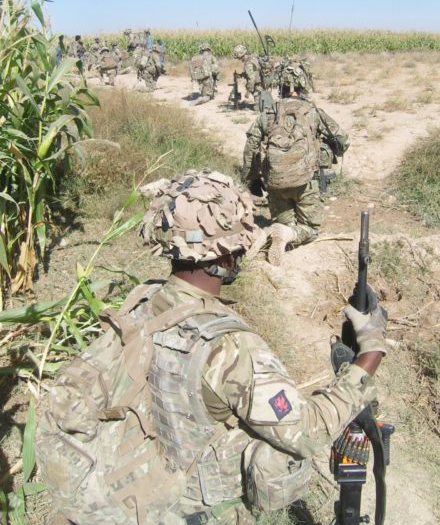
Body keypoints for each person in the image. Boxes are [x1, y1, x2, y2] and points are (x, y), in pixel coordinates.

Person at [37, 170, 387, 525]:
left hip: (157, 484)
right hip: (203, 510)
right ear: (226, 257)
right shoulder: (230, 347)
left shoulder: (145, 299)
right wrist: (370, 352)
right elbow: (306, 433)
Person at [242, 57, 350, 265]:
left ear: (279, 86)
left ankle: (266, 233)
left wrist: (252, 179)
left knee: (284, 221)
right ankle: (286, 234)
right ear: (304, 85)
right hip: (306, 183)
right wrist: (329, 150)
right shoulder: (313, 112)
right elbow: (343, 140)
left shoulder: (268, 112)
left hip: (274, 183)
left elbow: (250, 148)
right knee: (310, 229)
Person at [232, 44, 262, 109]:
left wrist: (248, 91)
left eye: (238, 57)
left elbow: (251, 78)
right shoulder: (253, 58)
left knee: (257, 108)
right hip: (261, 83)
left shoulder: (248, 63)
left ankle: (259, 104)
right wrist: (242, 75)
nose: (239, 59)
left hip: (258, 86)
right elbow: (254, 71)